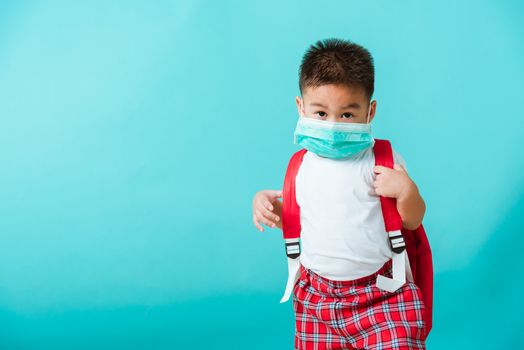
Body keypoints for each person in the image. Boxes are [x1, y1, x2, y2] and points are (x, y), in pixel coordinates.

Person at [252, 38, 427, 349]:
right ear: (301, 107)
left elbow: (413, 220)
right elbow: (300, 219)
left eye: (347, 115)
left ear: (370, 112)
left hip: (381, 292)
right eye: (320, 113)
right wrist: (272, 211)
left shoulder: (382, 160)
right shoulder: (300, 166)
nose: (332, 126)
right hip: (317, 297)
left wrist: (406, 190)